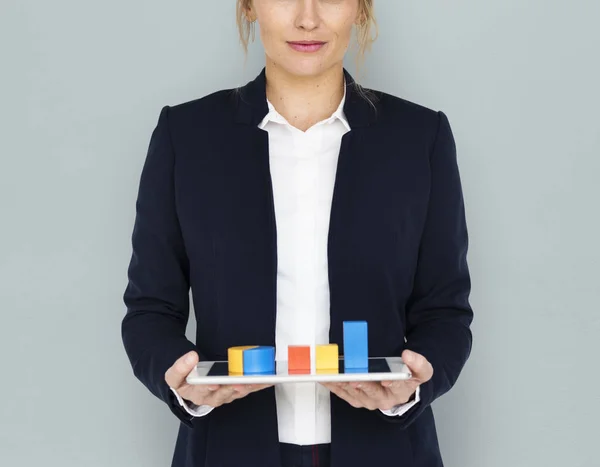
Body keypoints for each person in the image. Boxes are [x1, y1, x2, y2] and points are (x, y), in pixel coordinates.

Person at [121, 1, 474, 466]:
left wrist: (414, 383)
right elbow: (149, 311)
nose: (308, 18)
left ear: (361, 10)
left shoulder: (419, 137)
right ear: (249, 7)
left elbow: (445, 312)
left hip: (384, 451)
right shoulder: (186, 137)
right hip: (229, 449)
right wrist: (180, 376)